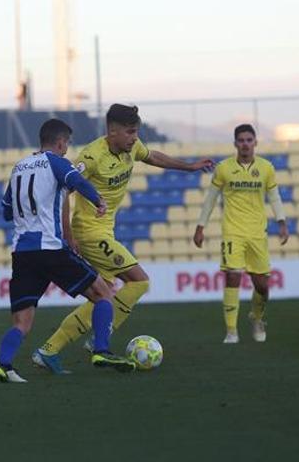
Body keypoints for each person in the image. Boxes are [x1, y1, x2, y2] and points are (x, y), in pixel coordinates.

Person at [31, 104, 215, 374]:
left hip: (106, 230)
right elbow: (62, 192)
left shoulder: (132, 147)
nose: (134, 138)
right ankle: (99, 339)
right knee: (139, 281)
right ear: (112, 131)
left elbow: (152, 156)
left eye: (136, 132)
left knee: (100, 295)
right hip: (90, 232)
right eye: (130, 132)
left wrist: (189, 167)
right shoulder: (92, 157)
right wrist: (69, 235)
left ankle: (49, 350)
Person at [0, 118, 136, 383]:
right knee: (103, 294)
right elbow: (77, 181)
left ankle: (3, 365)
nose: (67, 148)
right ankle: (101, 350)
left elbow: (6, 211)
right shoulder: (57, 162)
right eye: (67, 144)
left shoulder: (19, 167)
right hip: (51, 248)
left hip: (22, 253)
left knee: (21, 323)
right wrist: (98, 200)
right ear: (60, 142)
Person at [193, 124, 289, 344]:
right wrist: (200, 227)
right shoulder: (224, 168)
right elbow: (210, 199)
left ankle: (256, 317)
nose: (245, 144)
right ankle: (231, 331)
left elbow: (274, 197)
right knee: (233, 275)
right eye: (241, 140)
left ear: (255, 142)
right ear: (235, 143)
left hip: (257, 233)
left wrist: (282, 222)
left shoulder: (266, 168)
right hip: (233, 232)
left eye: (249, 140)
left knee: (262, 286)